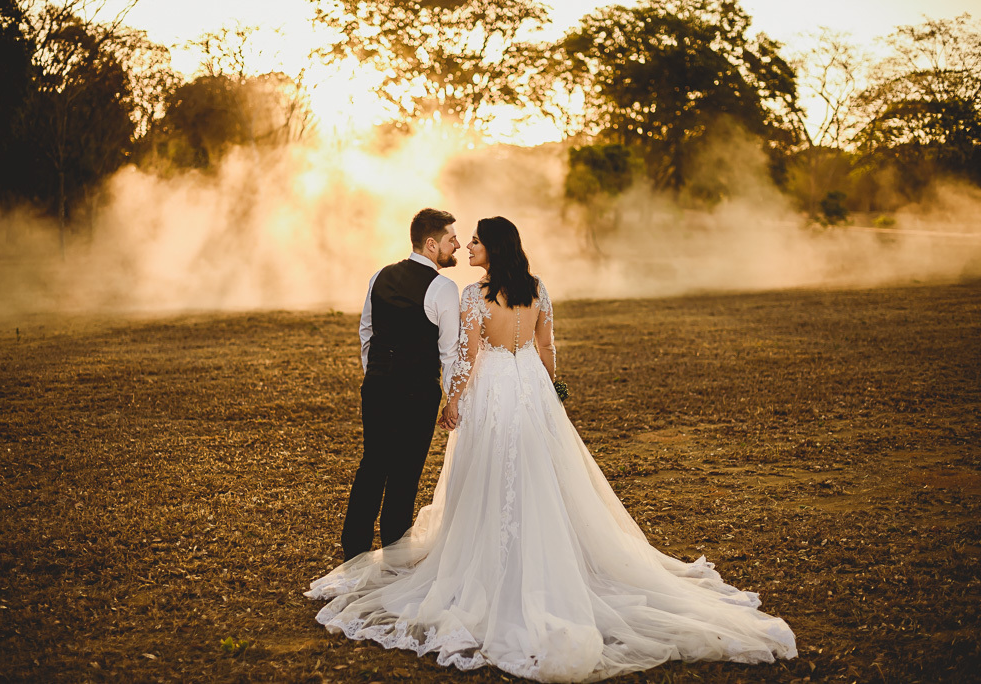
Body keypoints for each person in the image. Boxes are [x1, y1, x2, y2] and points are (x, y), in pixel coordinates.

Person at [309, 217, 797, 682]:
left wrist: (453, 402)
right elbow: (546, 350)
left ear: (493, 249)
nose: (469, 246)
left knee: (488, 473)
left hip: (495, 392)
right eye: (466, 239)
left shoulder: (474, 295)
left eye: (476, 240)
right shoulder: (537, 289)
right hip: (530, 389)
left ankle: (489, 563)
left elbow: (468, 356)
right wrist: (550, 391)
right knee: (540, 472)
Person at [340, 208, 461, 561]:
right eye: (450, 239)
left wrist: (375, 371)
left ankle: (355, 551)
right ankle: (394, 550)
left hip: (377, 386)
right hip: (417, 392)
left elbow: (367, 330)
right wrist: (452, 400)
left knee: (372, 464)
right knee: (405, 472)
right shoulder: (443, 287)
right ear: (430, 244)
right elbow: (450, 352)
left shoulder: (380, 275)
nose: (455, 245)